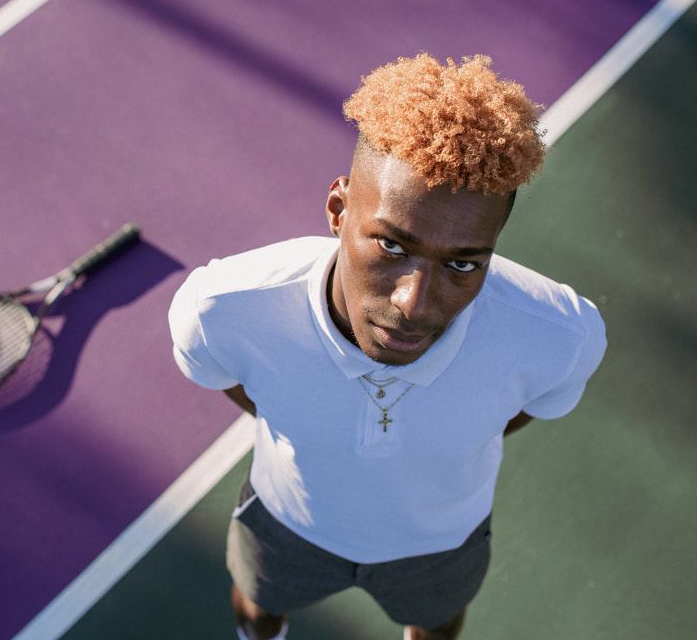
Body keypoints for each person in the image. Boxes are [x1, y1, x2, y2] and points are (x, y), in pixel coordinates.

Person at [168, 53, 607, 640]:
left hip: (444, 546)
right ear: (337, 211)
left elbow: (515, 411)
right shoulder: (221, 308)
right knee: (258, 609)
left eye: (462, 263)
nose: (415, 304)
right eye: (392, 247)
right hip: (285, 523)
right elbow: (235, 382)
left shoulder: (561, 333)